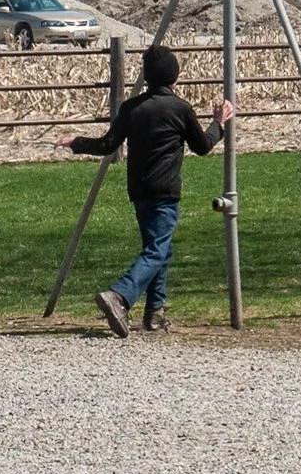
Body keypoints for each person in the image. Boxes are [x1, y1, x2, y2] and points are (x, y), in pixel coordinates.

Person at [59, 43, 235, 337]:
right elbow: (202, 146)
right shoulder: (180, 109)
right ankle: (120, 296)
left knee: (159, 249)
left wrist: (76, 142)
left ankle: (155, 313)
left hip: (138, 192)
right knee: (156, 250)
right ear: (173, 77)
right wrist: (218, 123)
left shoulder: (132, 108)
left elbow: (107, 145)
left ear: (147, 76)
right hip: (165, 192)